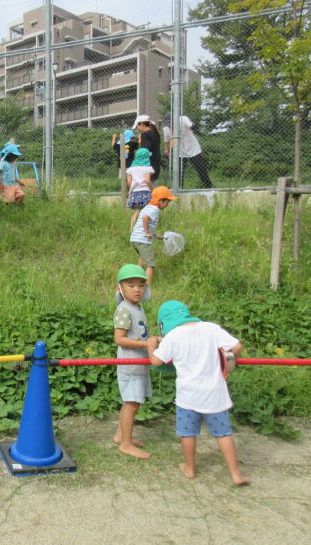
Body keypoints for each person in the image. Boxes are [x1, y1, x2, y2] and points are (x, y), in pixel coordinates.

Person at [148, 300, 249, 486]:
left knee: (188, 434)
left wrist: (151, 344)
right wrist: (227, 363)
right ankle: (235, 474)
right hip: (215, 395)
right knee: (223, 434)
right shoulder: (211, 328)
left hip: (188, 397)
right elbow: (237, 347)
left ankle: (190, 468)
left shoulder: (173, 336)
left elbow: (156, 361)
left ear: (164, 323)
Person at [112, 264, 157, 459]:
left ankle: (120, 436)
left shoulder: (137, 307)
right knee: (132, 404)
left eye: (141, 285)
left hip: (139, 363)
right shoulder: (124, 309)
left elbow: (139, 334)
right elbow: (119, 339)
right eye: (131, 285)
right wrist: (146, 344)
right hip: (130, 365)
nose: (137, 289)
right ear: (120, 288)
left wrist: (151, 341)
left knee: (131, 402)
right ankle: (126, 444)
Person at [129, 186, 178, 283]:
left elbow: (144, 224)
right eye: (167, 202)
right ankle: (148, 286)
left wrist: (155, 235)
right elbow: (145, 218)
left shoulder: (148, 207)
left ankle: (136, 278)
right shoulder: (155, 209)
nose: (167, 205)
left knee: (143, 258)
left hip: (135, 239)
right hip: (142, 241)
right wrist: (147, 232)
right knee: (150, 265)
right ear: (160, 201)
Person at [163, 114, 213, 189]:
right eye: (168, 125)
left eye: (171, 124)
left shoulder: (183, 119)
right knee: (179, 171)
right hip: (180, 151)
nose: (170, 126)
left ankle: (208, 186)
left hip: (193, 148)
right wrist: (167, 150)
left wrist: (192, 126)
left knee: (201, 168)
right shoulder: (166, 129)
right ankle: (178, 188)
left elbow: (191, 125)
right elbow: (167, 140)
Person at [125, 148, 155, 232]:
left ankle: (131, 230)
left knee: (136, 212)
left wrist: (132, 189)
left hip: (135, 193)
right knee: (147, 212)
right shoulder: (148, 168)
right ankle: (146, 230)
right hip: (146, 192)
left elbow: (129, 182)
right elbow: (148, 180)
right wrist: (152, 190)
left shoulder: (131, 169)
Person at [134, 115, 162, 185]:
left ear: (142, 124)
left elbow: (145, 151)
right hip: (155, 164)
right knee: (153, 185)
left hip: (148, 166)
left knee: (147, 187)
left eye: (137, 126)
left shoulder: (145, 135)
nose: (138, 129)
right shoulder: (154, 133)